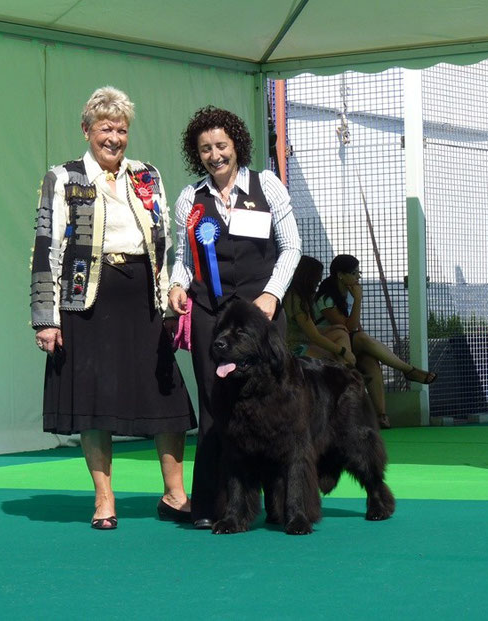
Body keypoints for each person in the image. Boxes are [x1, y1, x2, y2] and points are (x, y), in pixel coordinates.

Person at [30, 86, 196, 530]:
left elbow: (165, 240)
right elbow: (46, 246)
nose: (114, 138)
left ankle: (175, 494)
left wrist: (170, 291)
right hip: (86, 300)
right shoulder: (62, 177)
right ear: (87, 131)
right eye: (106, 128)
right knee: (93, 399)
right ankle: (105, 500)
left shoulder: (147, 174)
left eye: (121, 130)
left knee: (167, 395)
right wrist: (46, 317)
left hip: (143, 294)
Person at [168, 106, 301, 528]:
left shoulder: (269, 186)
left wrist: (271, 294)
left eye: (221, 146)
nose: (214, 155)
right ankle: (213, 506)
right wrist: (175, 285)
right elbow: (184, 258)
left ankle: (284, 503)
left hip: (261, 316)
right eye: (205, 148)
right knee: (215, 408)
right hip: (212, 315)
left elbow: (292, 247)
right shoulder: (190, 198)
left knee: (273, 405)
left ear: (236, 146)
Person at [315, 254, 437, 429]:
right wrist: (358, 299)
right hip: (329, 345)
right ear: (340, 275)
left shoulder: (348, 294)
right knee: (363, 338)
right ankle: (408, 370)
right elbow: (347, 328)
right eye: (354, 273)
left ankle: (381, 416)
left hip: (349, 342)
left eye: (359, 272)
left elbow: (356, 328)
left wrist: (355, 300)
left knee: (371, 361)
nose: (358, 277)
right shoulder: (326, 298)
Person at [283, 255, 356, 367]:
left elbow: (306, 330)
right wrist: (343, 352)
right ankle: (349, 373)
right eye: (318, 276)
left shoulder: (293, 295)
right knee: (335, 359)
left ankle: (348, 373)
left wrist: (331, 328)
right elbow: (314, 336)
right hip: (294, 350)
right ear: (308, 277)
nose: (320, 279)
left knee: (341, 333)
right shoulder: (296, 300)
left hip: (301, 343)